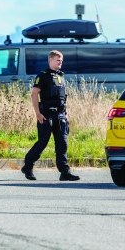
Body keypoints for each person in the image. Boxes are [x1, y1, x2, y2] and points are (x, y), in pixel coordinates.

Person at [22, 50, 80, 181]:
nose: (60, 62)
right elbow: (34, 94)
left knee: (62, 144)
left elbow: (62, 97)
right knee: (42, 143)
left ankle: (65, 172)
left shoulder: (61, 76)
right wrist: (38, 113)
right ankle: (28, 166)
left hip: (60, 116)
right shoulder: (43, 76)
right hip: (46, 114)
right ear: (50, 60)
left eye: (61, 60)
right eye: (58, 60)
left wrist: (65, 113)